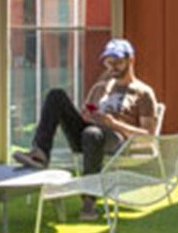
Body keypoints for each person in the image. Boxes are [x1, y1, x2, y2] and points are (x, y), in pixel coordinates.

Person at [13, 37, 159, 181]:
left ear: (131, 60)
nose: (113, 66)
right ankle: (40, 154)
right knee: (56, 95)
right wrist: (88, 114)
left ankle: (89, 199)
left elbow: (149, 137)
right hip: (87, 135)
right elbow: (89, 110)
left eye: (118, 62)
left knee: (92, 133)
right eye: (109, 62)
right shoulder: (101, 87)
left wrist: (113, 124)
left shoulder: (143, 92)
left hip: (117, 141)